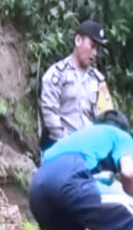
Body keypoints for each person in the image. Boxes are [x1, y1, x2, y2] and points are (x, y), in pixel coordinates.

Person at [39, 20, 114, 151]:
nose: (95, 53)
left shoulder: (98, 81)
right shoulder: (56, 74)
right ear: (78, 41)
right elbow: (50, 114)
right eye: (92, 46)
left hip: (90, 147)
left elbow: (106, 116)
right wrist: (67, 144)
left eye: (98, 49)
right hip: (61, 146)